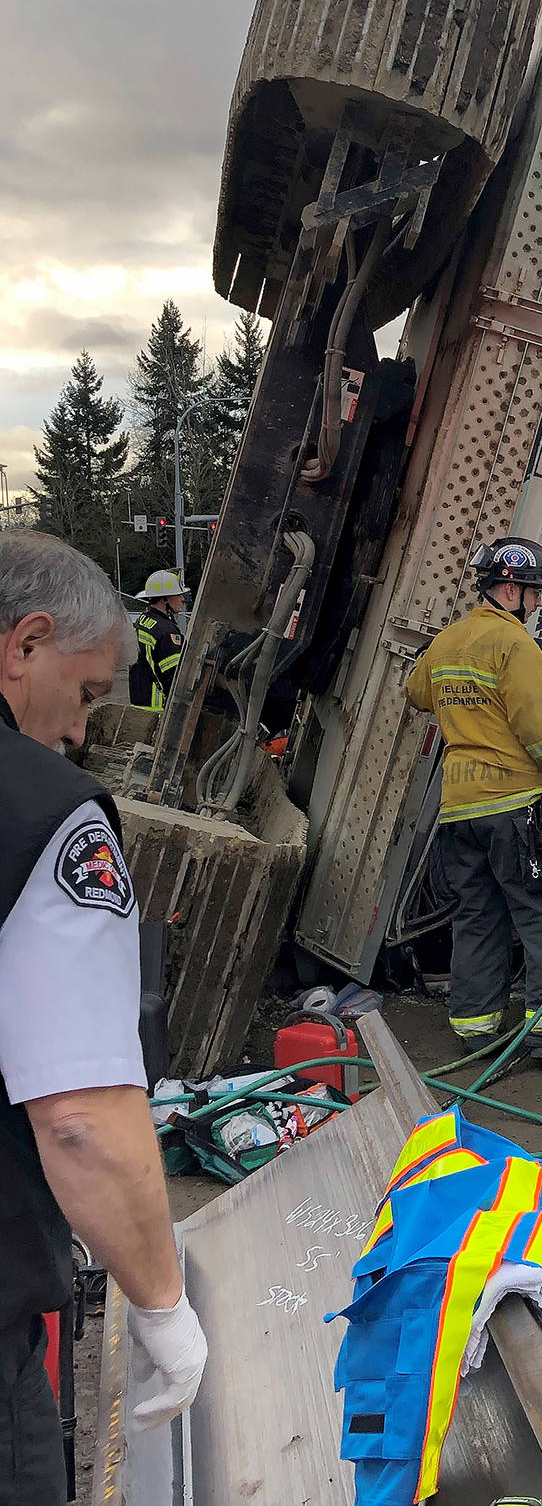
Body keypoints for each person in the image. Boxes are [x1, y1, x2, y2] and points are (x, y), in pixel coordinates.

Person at [0, 531, 206, 1503]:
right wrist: (162, 1308)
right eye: (83, 694)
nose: (81, 733)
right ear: (24, 645)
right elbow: (80, 1116)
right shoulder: (44, 816)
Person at [406, 539, 542, 1062]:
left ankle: (474, 1030)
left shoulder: (447, 643)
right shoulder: (514, 646)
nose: (537, 605)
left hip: (459, 807)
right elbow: (541, 731)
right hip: (516, 804)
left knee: (477, 916)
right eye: (533, 593)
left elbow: (417, 692)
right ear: (510, 589)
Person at [129, 570, 187, 712]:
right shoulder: (167, 631)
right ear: (164, 599)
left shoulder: (142, 620)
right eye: (178, 594)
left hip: (139, 699)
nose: (182, 599)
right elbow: (173, 675)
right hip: (157, 705)